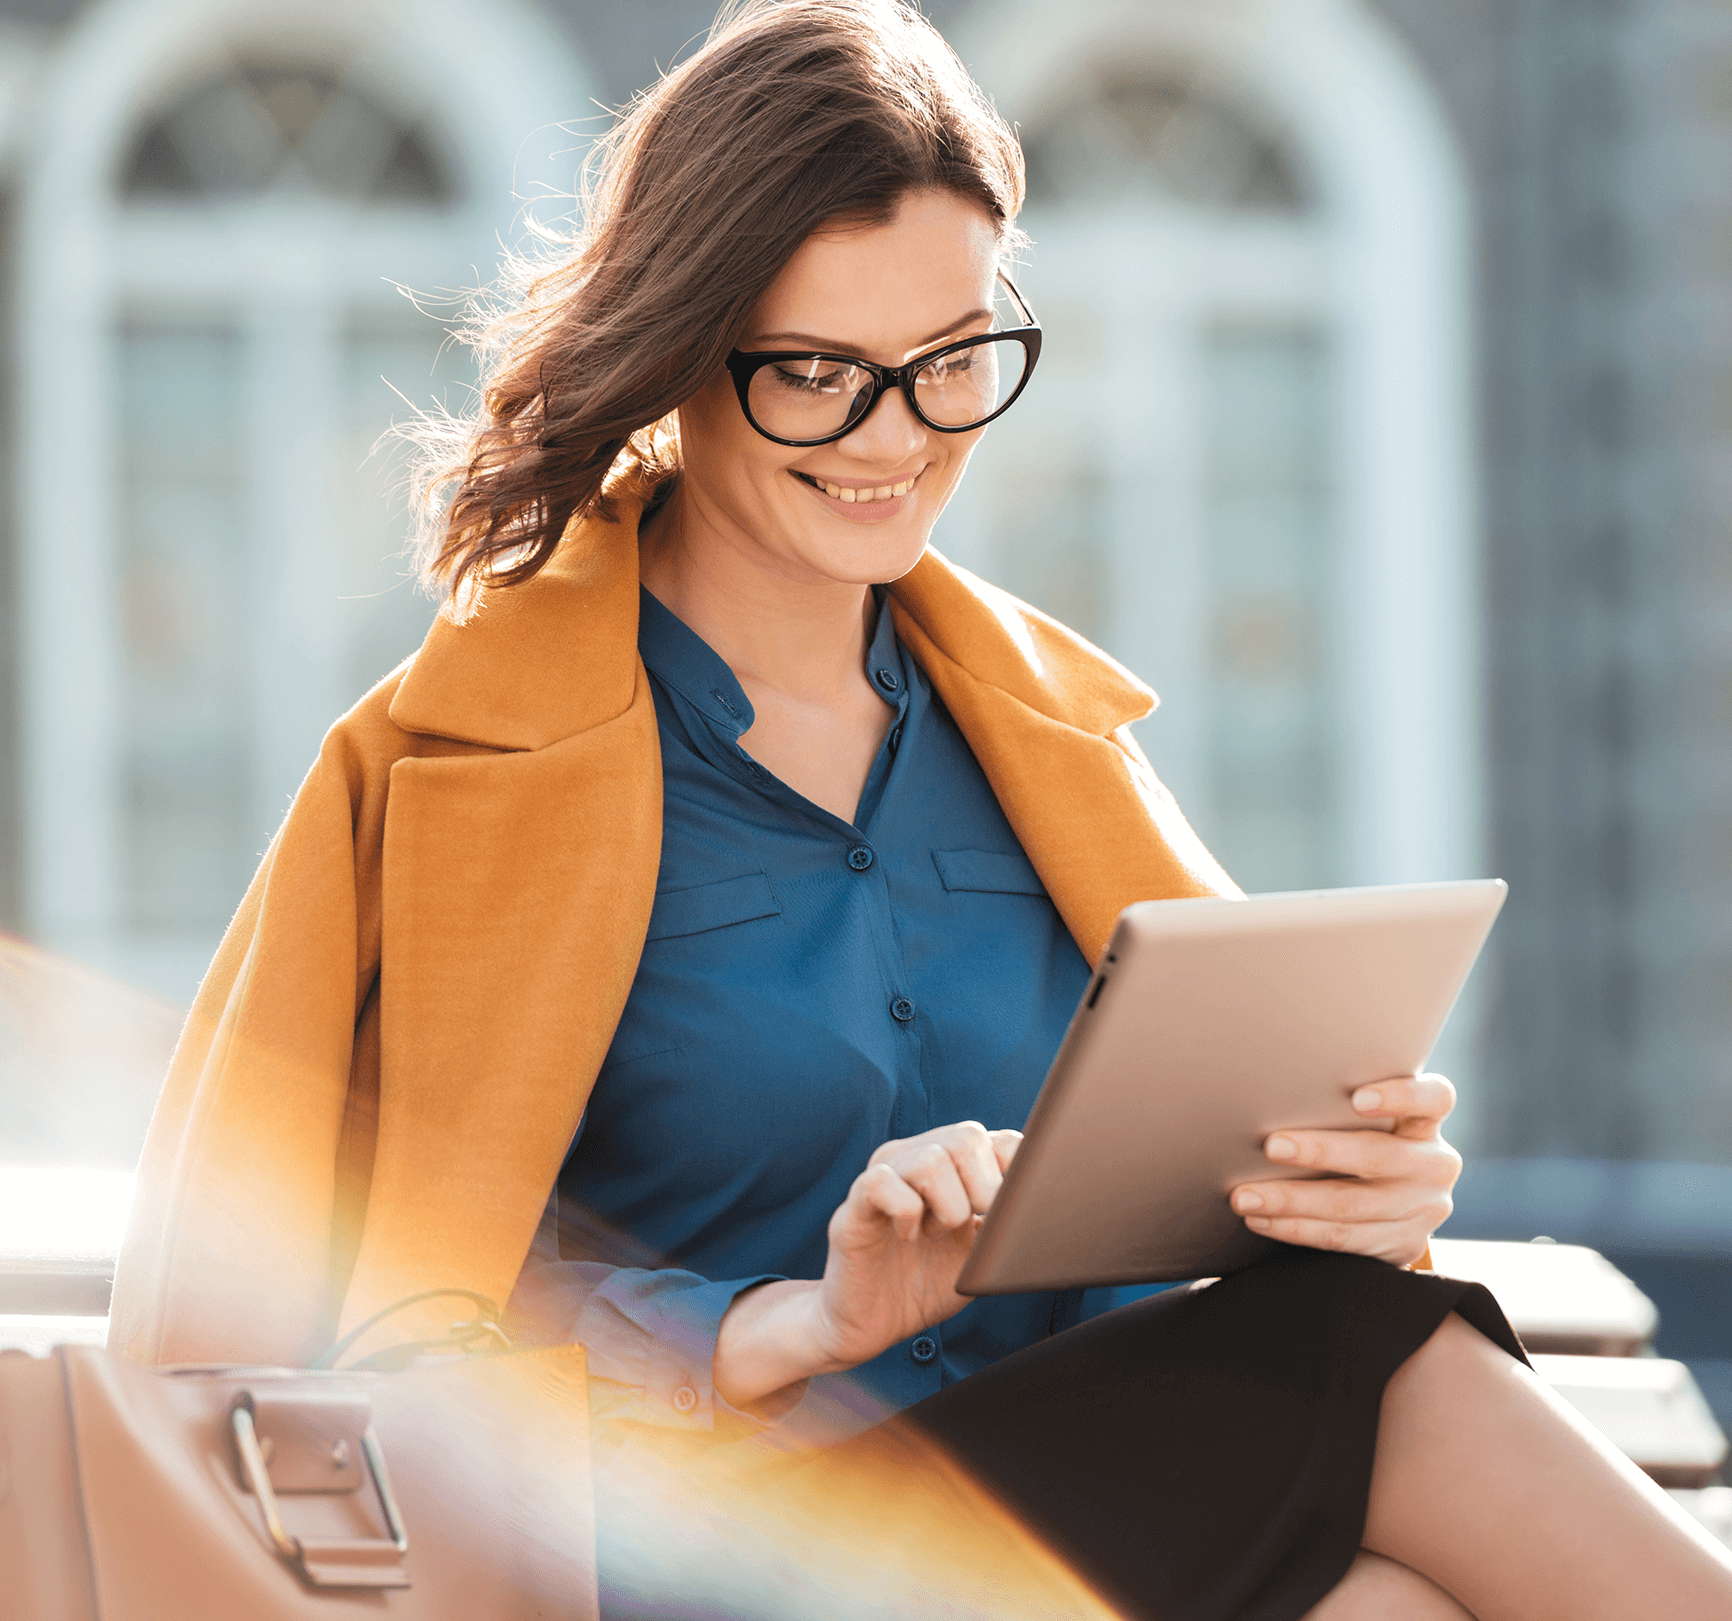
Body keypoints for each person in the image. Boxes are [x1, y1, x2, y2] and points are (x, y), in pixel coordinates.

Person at [110, 3, 1732, 1617]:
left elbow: (1187, 1219)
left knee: (1384, 1601)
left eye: (953, 363)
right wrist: (794, 1320)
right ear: (683, 347)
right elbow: (372, 1324)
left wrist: (1343, 1196)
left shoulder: (1047, 746)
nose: (896, 441)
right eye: (818, 373)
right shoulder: (445, 773)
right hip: (666, 1558)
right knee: (1372, 1367)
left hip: (1047, 1543)